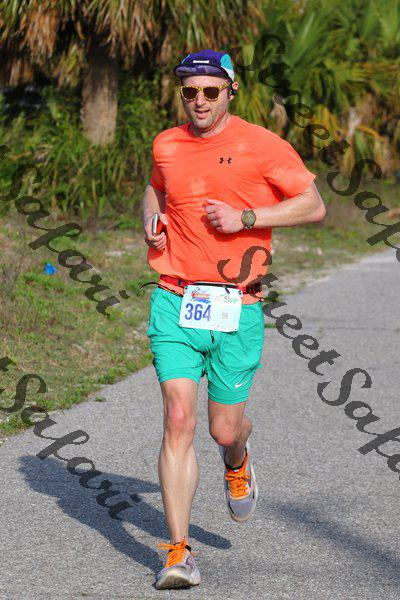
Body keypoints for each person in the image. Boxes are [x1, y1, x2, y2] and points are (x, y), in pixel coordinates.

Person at [141, 49, 326, 590]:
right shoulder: (167, 144)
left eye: (210, 91)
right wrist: (151, 218)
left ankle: (238, 458)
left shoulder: (261, 144)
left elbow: (313, 204)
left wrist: (247, 217)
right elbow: (156, 186)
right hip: (175, 299)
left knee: (223, 429)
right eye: (190, 92)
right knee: (178, 418)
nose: (199, 101)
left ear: (230, 91)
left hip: (236, 305)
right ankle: (178, 552)